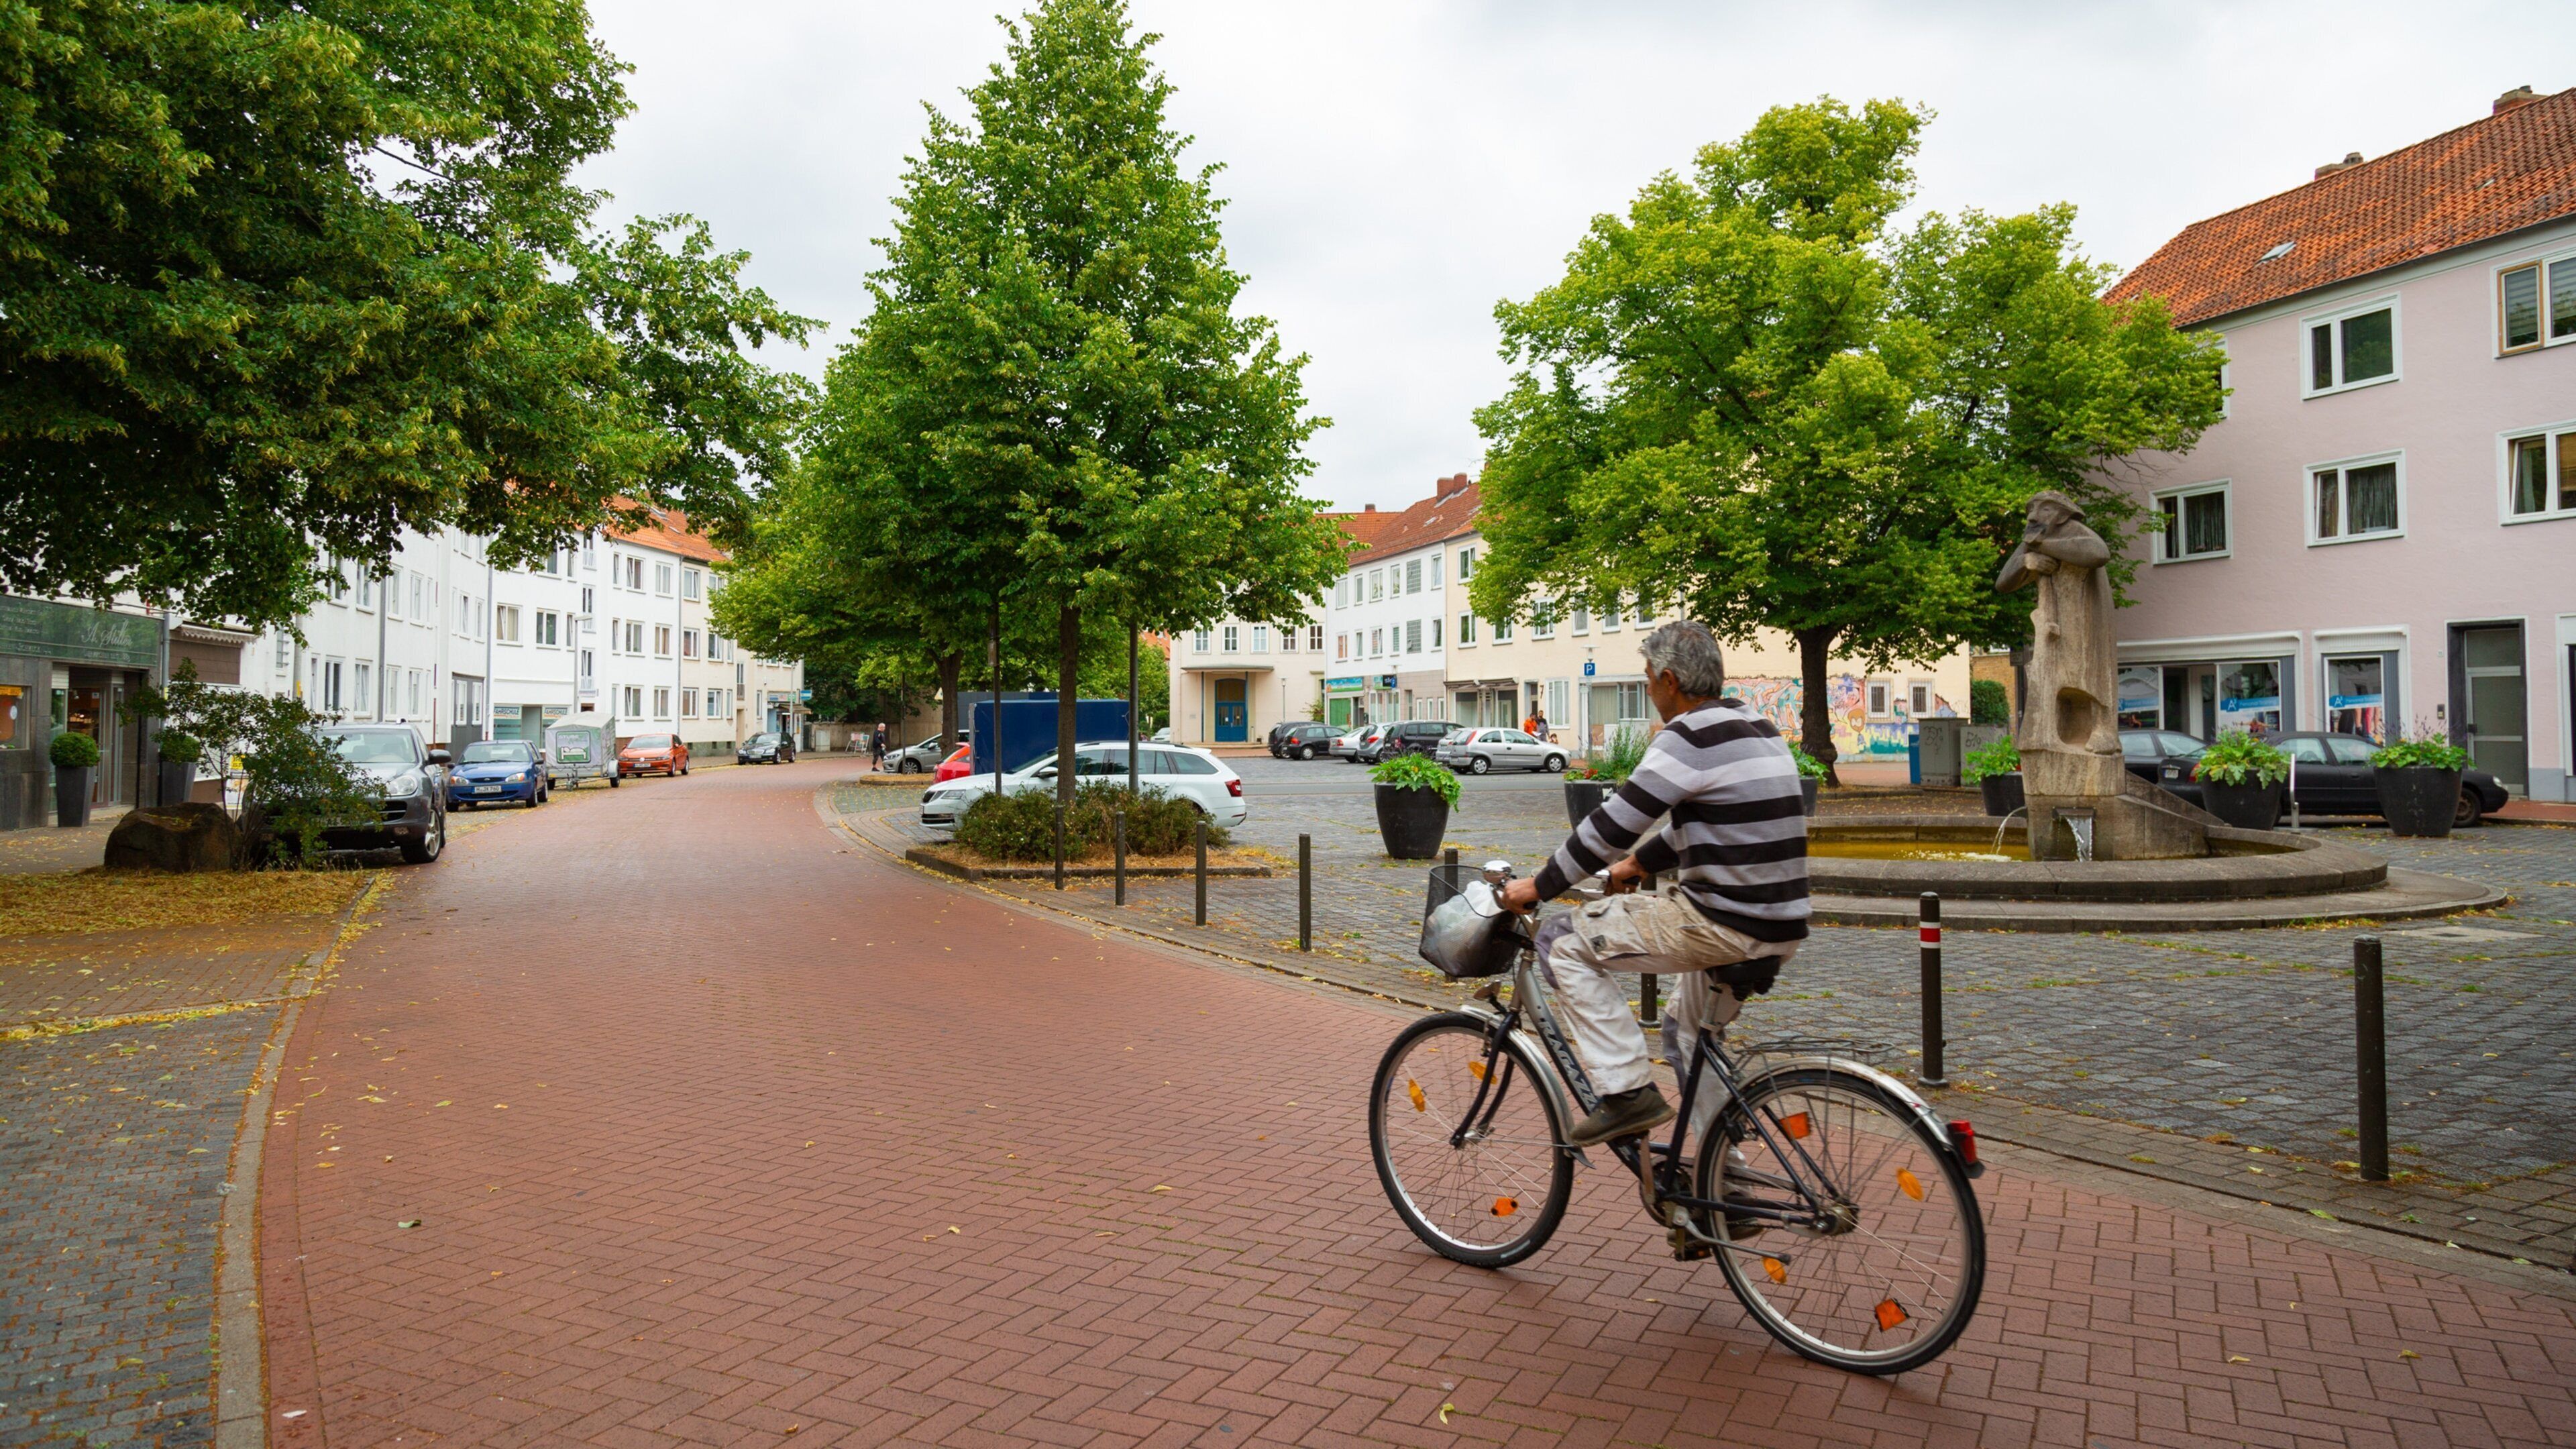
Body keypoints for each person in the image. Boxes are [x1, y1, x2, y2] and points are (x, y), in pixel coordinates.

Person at [1499, 621, 1810, 1146]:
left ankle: (1626, 1091)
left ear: (1669, 680)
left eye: (1647, 678)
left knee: (1559, 942)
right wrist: (1637, 866)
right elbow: (1704, 820)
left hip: (1723, 921)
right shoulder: (1755, 724)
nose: (1647, 690)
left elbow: (1613, 827)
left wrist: (1539, 886)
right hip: (1781, 924)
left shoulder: (1687, 736)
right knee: (1686, 1036)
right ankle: (1720, 1185)